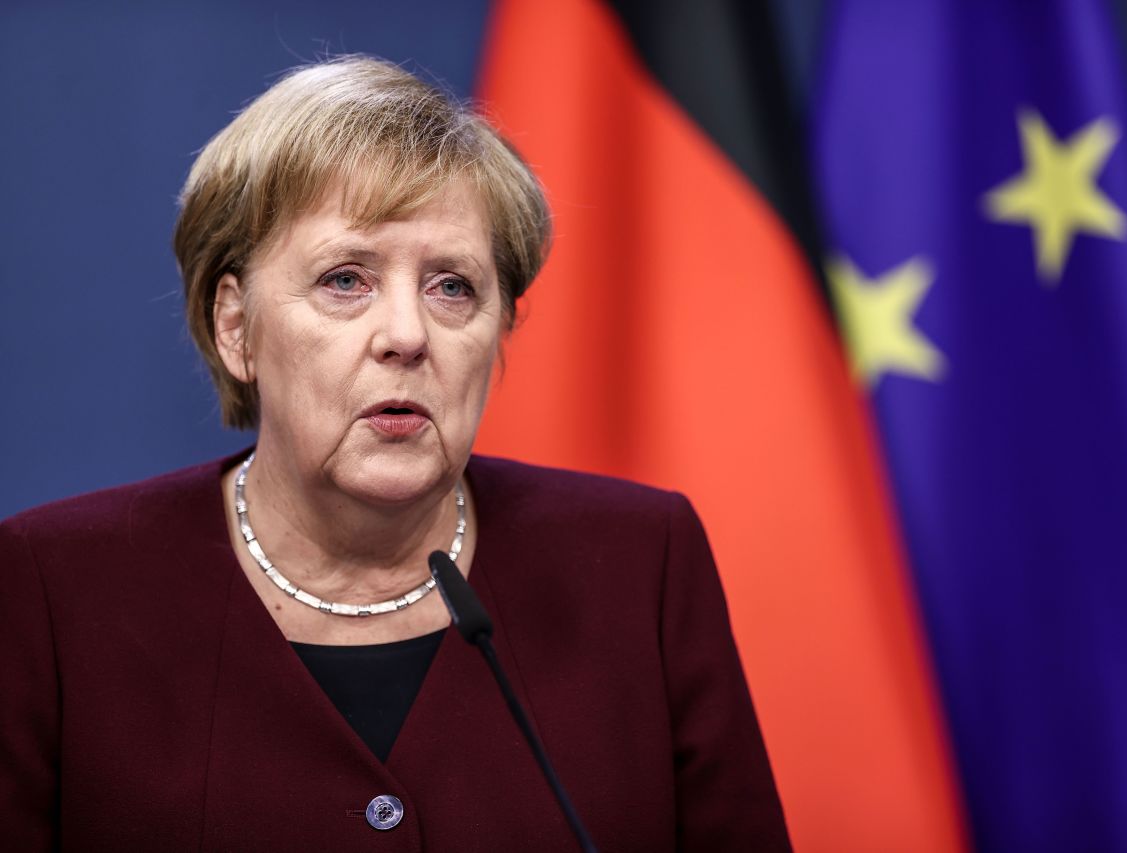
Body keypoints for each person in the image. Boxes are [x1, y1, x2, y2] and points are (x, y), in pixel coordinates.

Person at [0, 56, 790, 851]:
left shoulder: (638, 562)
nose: (409, 335)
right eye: (347, 279)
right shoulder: (55, 589)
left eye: (453, 287)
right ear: (235, 326)